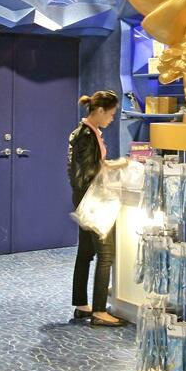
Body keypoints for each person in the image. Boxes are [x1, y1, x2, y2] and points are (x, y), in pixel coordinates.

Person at [69, 90, 126, 327]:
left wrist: (108, 166)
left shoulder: (85, 132)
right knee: (106, 254)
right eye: (110, 114)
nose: (112, 119)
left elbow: (88, 166)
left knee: (85, 253)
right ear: (100, 110)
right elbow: (89, 171)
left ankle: (82, 305)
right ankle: (100, 311)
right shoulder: (87, 135)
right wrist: (114, 167)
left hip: (85, 200)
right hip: (93, 202)